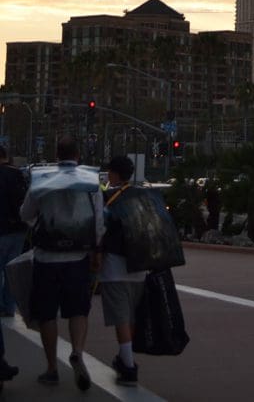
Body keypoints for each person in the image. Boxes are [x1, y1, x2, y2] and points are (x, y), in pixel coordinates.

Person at [20, 137, 104, 390]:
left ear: (56, 156)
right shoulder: (90, 181)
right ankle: (77, 351)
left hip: (46, 257)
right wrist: (96, 250)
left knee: (47, 314)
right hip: (77, 258)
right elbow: (98, 221)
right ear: (78, 156)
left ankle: (52, 368)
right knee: (78, 310)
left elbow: (25, 214)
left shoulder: (42, 180)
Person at [100, 155, 147, 386]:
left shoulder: (109, 198)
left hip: (114, 267)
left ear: (115, 174)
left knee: (121, 317)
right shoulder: (142, 196)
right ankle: (124, 358)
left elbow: (100, 228)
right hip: (140, 266)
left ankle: (128, 367)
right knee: (131, 316)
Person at [0, 146, 27, 317]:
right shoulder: (18, 174)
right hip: (18, 230)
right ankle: (9, 306)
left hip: (1, 228)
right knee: (11, 271)